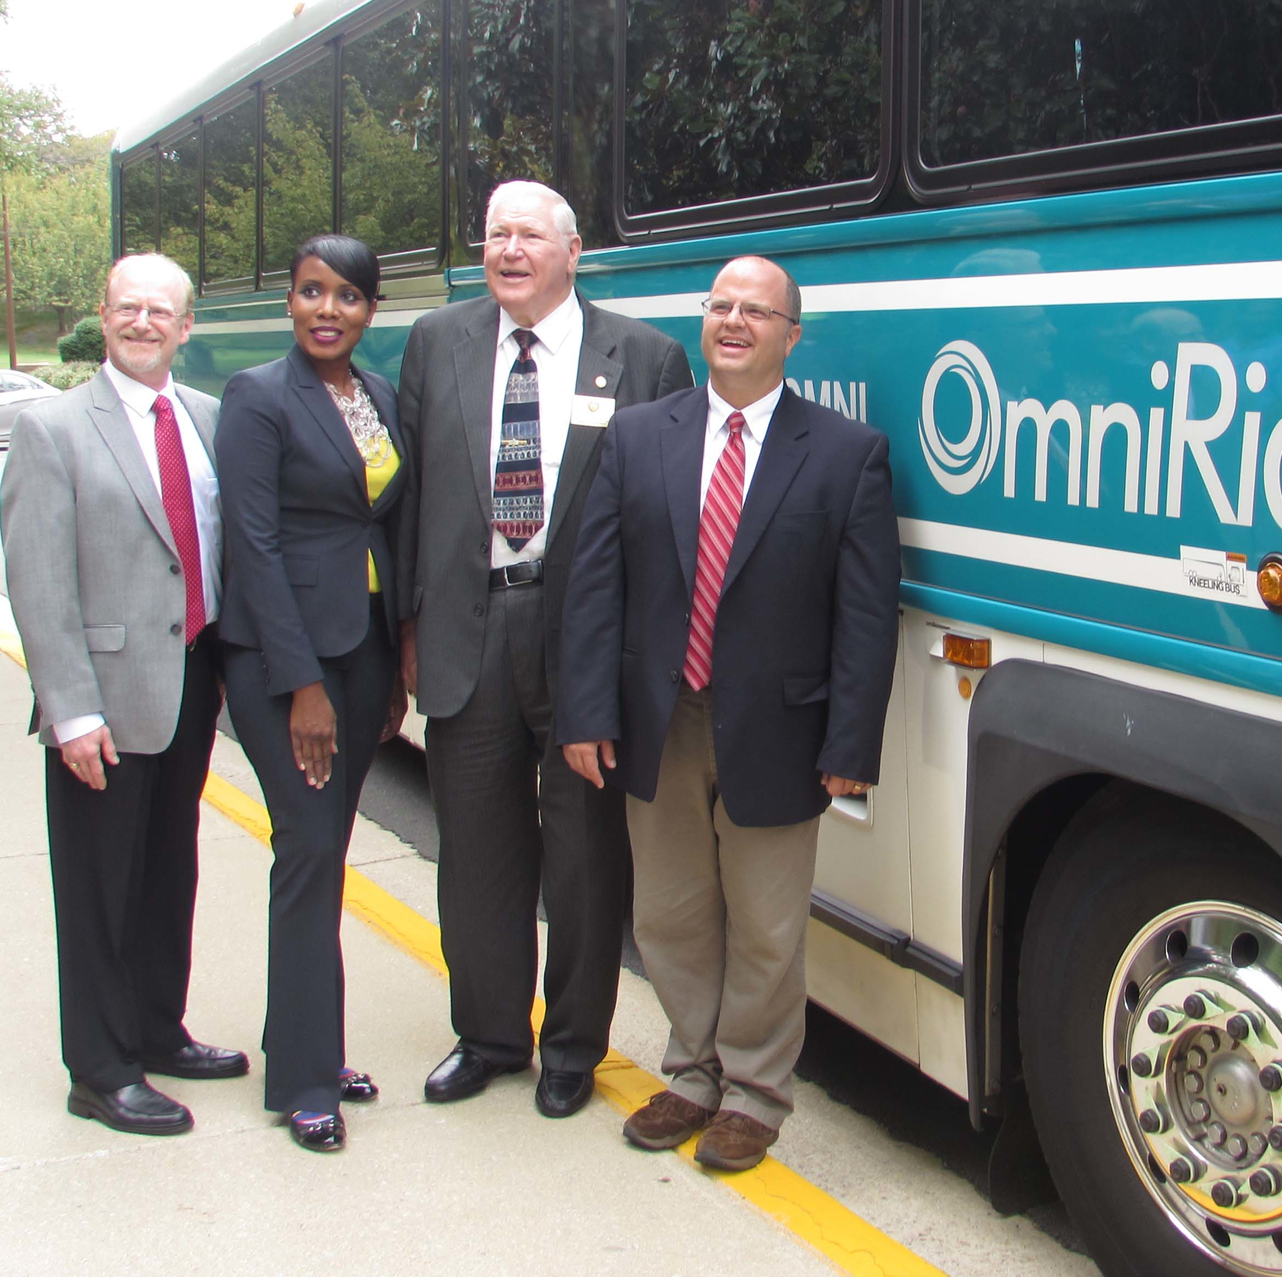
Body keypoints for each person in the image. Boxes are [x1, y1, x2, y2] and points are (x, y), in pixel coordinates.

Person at [557, 254, 900, 1172]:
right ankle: (693, 1074)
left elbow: (866, 616)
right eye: (721, 307)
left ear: (793, 334)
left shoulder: (844, 452)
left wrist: (851, 742)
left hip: (781, 729)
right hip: (656, 720)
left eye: (758, 311)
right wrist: (585, 711)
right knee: (668, 914)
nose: (736, 322)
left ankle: (754, 1092)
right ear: (702, 325)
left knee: (767, 924)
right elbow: (595, 587)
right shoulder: (636, 437)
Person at [395, 180, 692, 1118]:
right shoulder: (436, 343)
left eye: (530, 234)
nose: (509, 250)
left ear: (573, 252)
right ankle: (487, 1034)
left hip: (586, 646)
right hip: (466, 632)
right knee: (476, 853)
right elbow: (407, 504)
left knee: (585, 859)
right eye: (495, 234)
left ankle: (572, 1046)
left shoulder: (644, 358)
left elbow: (663, 528)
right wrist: (407, 626)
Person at [0, 253, 247, 1135]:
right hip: (99, 700)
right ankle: (100, 1071)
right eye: (128, 308)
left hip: (190, 683)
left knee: (166, 873)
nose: (144, 323)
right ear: (103, 317)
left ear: (187, 327)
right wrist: (69, 709)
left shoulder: (211, 419)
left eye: (162, 311)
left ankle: (156, 1028)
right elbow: (37, 580)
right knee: (98, 886)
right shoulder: (54, 428)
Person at [216, 236, 409, 1152]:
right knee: (306, 853)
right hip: (285, 664)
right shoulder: (258, 396)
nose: (329, 310)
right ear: (289, 303)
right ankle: (301, 1081)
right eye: (311, 293)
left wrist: (395, 656)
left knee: (326, 852)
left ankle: (305, 1042)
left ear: (371, 310)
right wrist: (302, 686)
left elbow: (384, 524)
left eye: (349, 296)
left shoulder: (375, 399)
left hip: (362, 651)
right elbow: (251, 546)